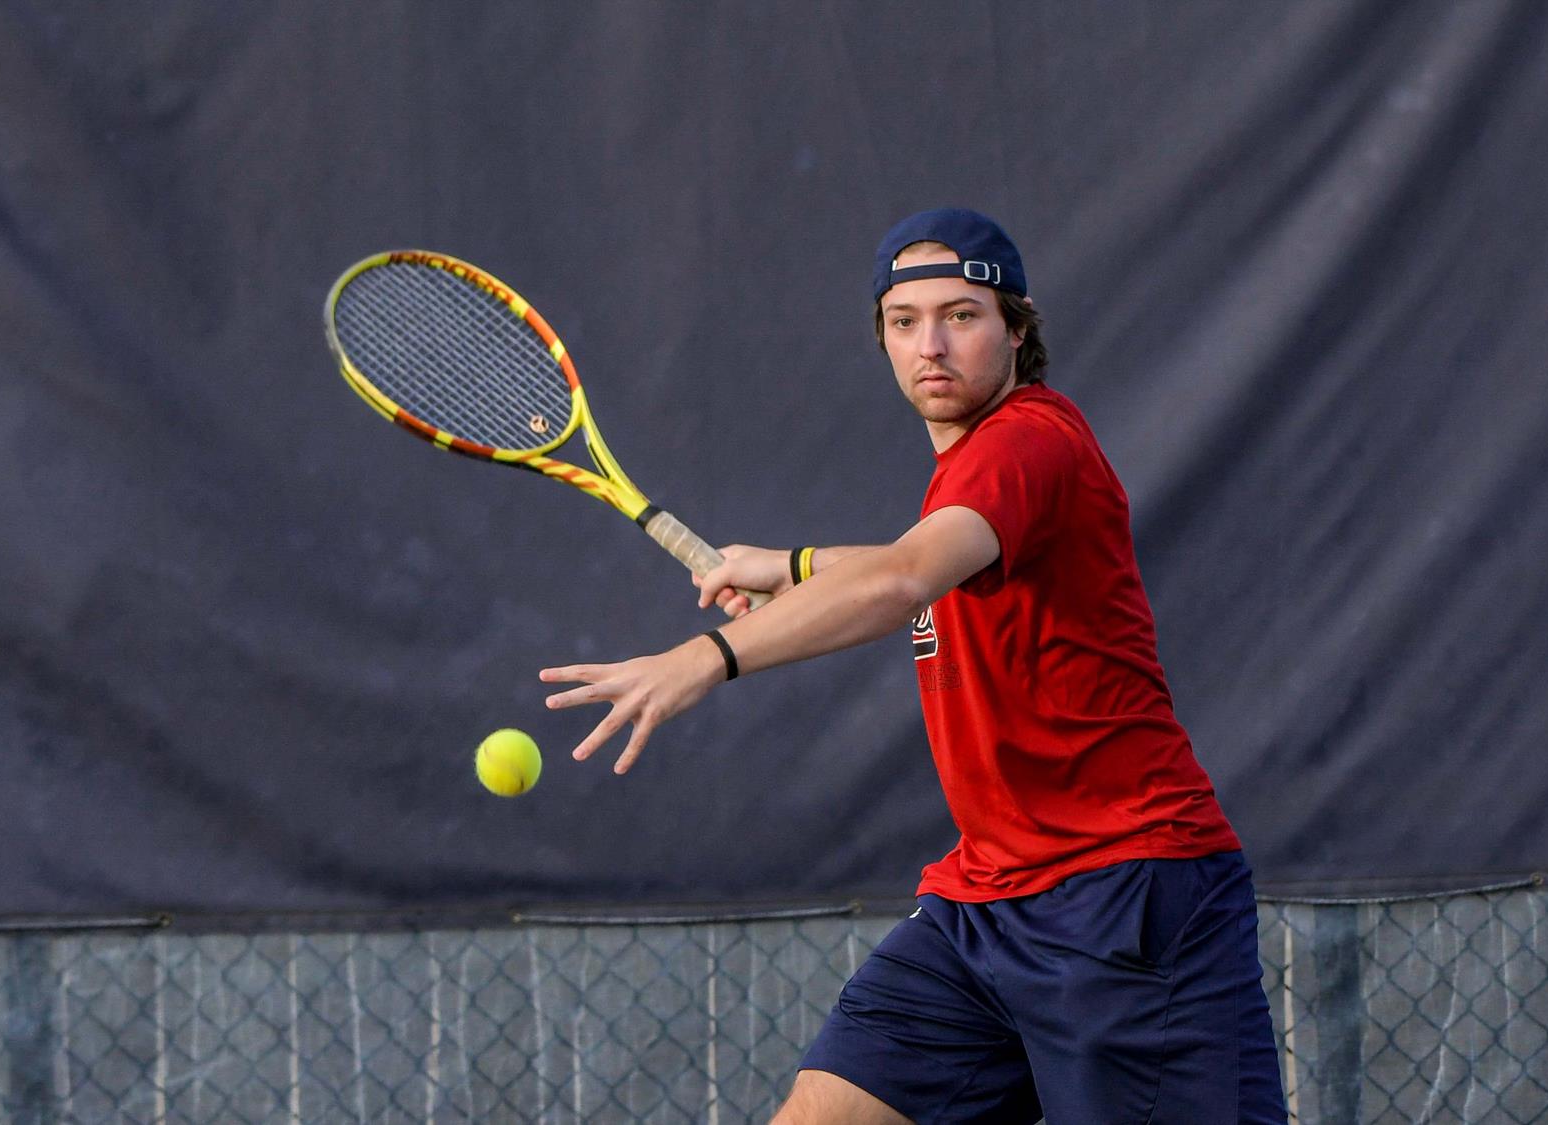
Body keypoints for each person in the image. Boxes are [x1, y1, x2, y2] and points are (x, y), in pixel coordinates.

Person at [541, 208, 1287, 1123]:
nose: (930, 343)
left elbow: (902, 578)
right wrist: (787, 566)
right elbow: (919, 562)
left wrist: (702, 660)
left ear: (1017, 328)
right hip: (983, 905)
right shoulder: (970, 475)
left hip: (1126, 896)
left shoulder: (1030, 440)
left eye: (962, 315)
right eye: (905, 321)